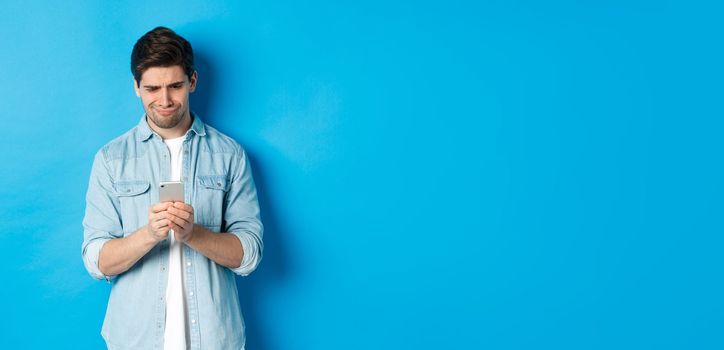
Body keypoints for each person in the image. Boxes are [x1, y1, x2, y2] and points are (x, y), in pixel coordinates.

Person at [81, 26, 263, 350]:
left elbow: (249, 253)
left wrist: (194, 234)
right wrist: (150, 234)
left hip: (215, 340)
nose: (164, 100)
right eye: (152, 88)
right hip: (134, 340)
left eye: (175, 86)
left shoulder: (230, 155)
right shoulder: (111, 159)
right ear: (136, 87)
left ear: (192, 81)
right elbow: (97, 261)